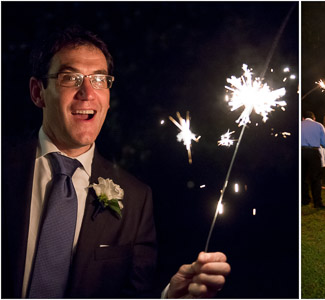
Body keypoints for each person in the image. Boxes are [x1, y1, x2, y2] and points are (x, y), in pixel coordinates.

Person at [2, 26, 229, 298]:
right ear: (38, 92)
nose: (87, 92)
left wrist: (169, 297)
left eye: (99, 80)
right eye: (70, 77)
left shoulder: (136, 198)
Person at [302, 111, 325, 208]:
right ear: (314, 118)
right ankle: (317, 202)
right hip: (313, 152)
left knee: (302, 177)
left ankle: (304, 200)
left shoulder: (298, 125)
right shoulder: (318, 125)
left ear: (303, 118)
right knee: (316, 178)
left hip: (300, 152)